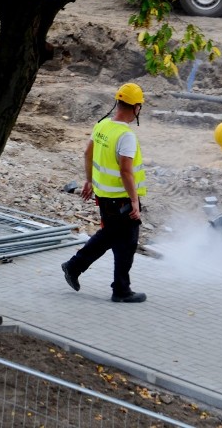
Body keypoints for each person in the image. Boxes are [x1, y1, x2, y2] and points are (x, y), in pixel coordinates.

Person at [61, 83, 147, 303]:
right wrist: (135, 201)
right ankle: (114, 287)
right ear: (136, 107)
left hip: (105, 196)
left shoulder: (102, 125)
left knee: (115, 238)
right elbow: (126, 171)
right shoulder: (126, 136)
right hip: (121, 199)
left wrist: (89, 180)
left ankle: (118, 286)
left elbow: (87, 153)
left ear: (117, 102)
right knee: (122, 241)